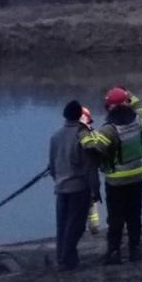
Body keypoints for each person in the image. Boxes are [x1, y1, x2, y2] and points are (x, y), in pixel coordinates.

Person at [82, 86, 142, 264]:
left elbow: (94, 148)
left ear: (110, 107)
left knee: (116, 218)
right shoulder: (139, 121)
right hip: (137, 178)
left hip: (116, 182)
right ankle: (135, 250)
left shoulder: (109, 130)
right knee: (135, 216)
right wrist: (130, 96)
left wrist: (84, 133)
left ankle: (114, 252)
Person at [47, 100, 98, 271]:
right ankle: (66, 260)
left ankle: (64, 258)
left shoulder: (55, 137)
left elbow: (52, 167)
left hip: (61, 188)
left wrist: (59, 179)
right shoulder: (82, 136)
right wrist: (95, 189)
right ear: (80, 116)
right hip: (78, 189)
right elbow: (89, 167)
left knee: (62, 226)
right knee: (75, 226)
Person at [79, 106, 102, 235]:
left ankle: (83, 229)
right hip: (92, 176)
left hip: (81, 176)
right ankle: (94, 228)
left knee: (84, 204)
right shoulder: (94, 133)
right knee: (91, 204)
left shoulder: (76, 134)